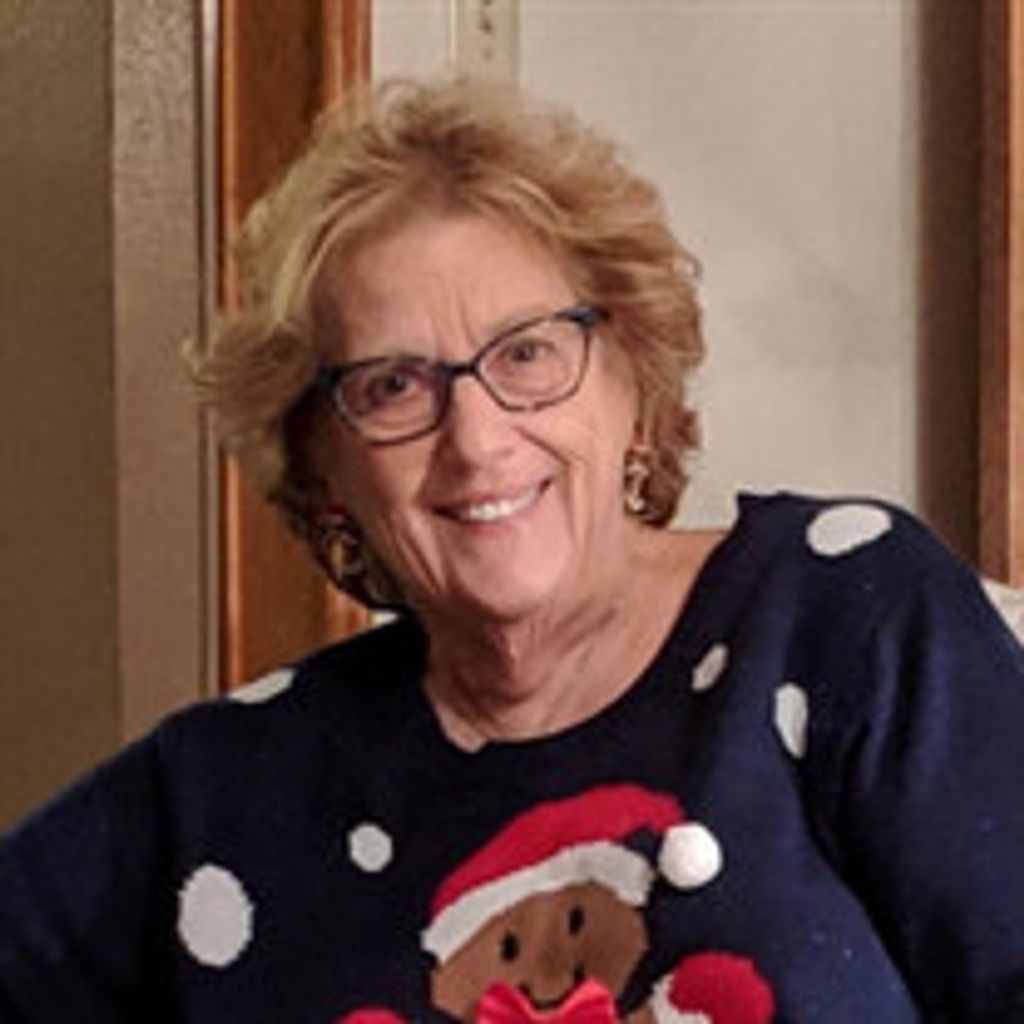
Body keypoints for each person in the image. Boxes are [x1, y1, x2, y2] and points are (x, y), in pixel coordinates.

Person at [1, 76, 1023, 1024]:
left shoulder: (843, 614)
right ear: (323, 469)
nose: (477, 440)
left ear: (634, 383)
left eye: (527, 353)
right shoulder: (227, 787)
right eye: (393, 385)